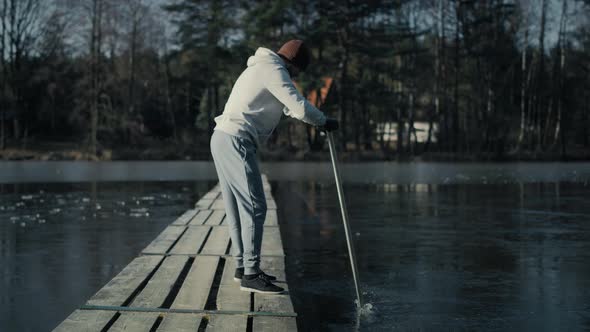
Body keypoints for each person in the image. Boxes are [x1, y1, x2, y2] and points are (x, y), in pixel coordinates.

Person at [209, 39, 339, 294]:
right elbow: (298, 106)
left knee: (236, 206)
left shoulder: (261, 67)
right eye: (297, 72)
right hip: (236, 139)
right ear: (293, 65)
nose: (295, 77)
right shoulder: (274, 69)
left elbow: (290, 107)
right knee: (256, 205)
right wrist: (323, 121)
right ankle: (251, 274)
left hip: (222, 137)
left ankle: (242, 267)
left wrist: (316, 120)